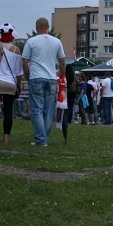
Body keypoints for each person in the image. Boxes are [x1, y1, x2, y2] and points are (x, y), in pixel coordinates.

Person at [22, 17, 66, 147]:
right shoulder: (56, 42)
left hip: (36, 77)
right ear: (48, 27)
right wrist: (61, 77)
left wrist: (27, 76)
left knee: (36, 109)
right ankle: (44, 137)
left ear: (36, 27)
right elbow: (62, 62)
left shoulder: (31, 41)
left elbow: (24, 62)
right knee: (48, 110)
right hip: (51, 78)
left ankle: (41, 139)